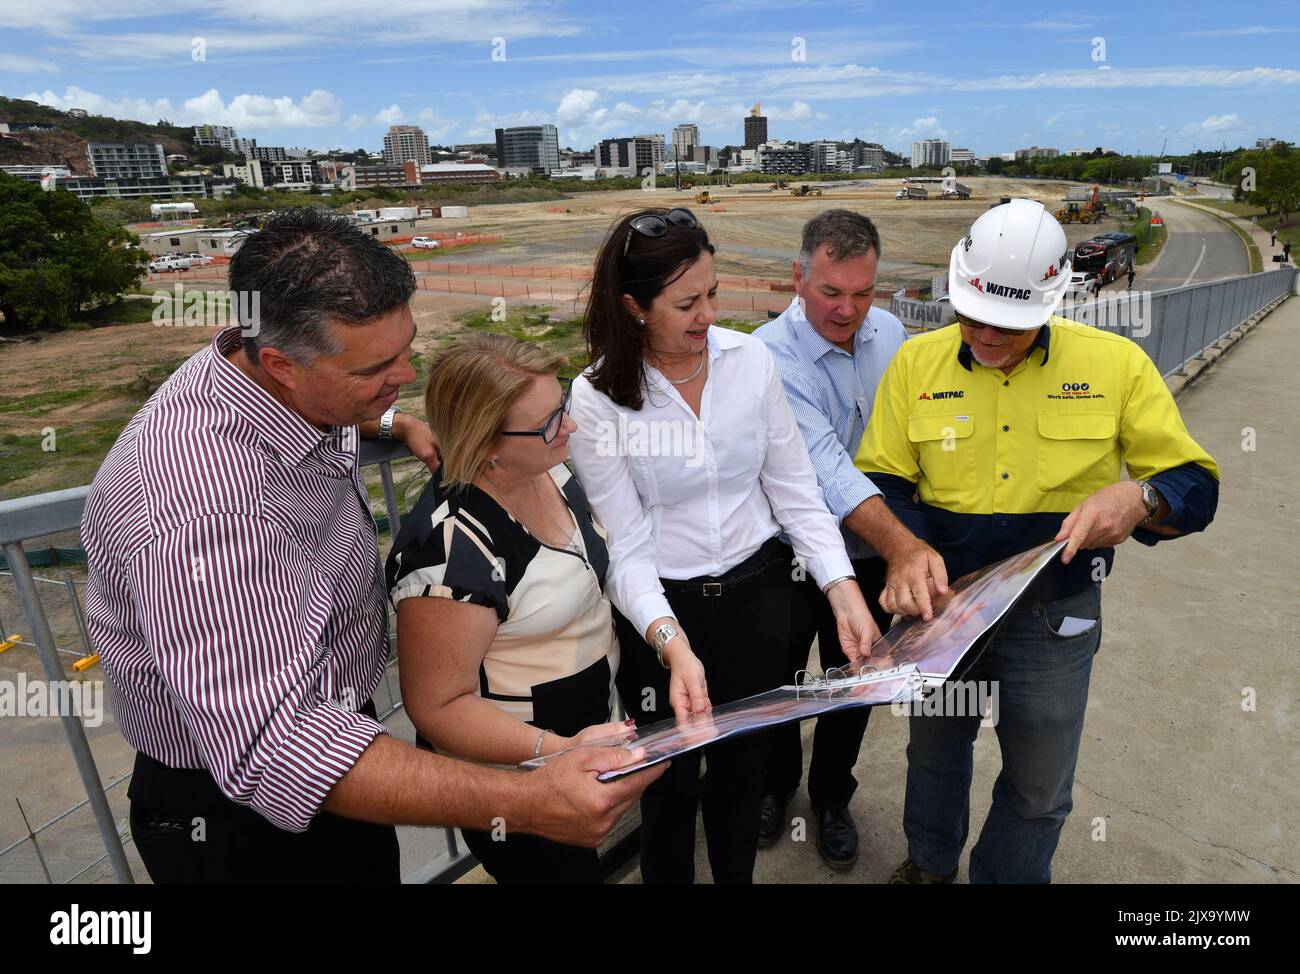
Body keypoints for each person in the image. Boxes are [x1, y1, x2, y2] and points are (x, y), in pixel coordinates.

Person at [81, 207, 662, 884]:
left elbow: (324, 396)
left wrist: (386, 417)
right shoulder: (202, 508)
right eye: (377, 368)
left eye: (406, 347)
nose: (409, 372)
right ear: (282, 365)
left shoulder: (265, 369)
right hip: (243, 813)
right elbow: (278, 749)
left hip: (337, 752)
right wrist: (531, 798)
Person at [854, 198, 1220, 884]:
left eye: (1009, 326)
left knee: (1040, 783)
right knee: (933, 755)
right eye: (972, 317)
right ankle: (929, 866)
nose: (986, 338)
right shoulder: (915, 366)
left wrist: (1140, 498)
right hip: (943, 612)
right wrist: (902, 548)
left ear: (1054, 301)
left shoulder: (1116, 366)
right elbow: (879, 482)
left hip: (1055, 616)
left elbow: (1197, 485)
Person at [568, 206, 881, 884]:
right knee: (669, 790)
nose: (708, 316)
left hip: (758, 600)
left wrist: (842, 587)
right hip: (661, 617)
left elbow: (797, 491)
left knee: (743, 778)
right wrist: (672, 645)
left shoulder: (751, 362)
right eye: (686, 303)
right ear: (634, 306)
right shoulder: (595, 399)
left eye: (712, 294)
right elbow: (625, 548)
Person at [387, 333, 634, 884]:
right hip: (522, 778)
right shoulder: (450, 550)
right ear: (487, 440)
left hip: (578, 749)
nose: (568, 426)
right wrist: (558, 750)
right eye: (549, 422)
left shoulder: (550, 469)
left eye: (563, 406)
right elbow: (439, 706)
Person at [751, 209, 911, 869]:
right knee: (784, 678)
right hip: (791, 555)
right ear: (797, 277)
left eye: (864, 292)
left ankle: (831, 796)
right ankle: (776, 784)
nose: (848, 311)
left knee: (856, 681)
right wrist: (910, 544)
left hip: (872, 555)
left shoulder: (895, 333)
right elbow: (826, 469)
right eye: (830, 292)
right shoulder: (765, 355)